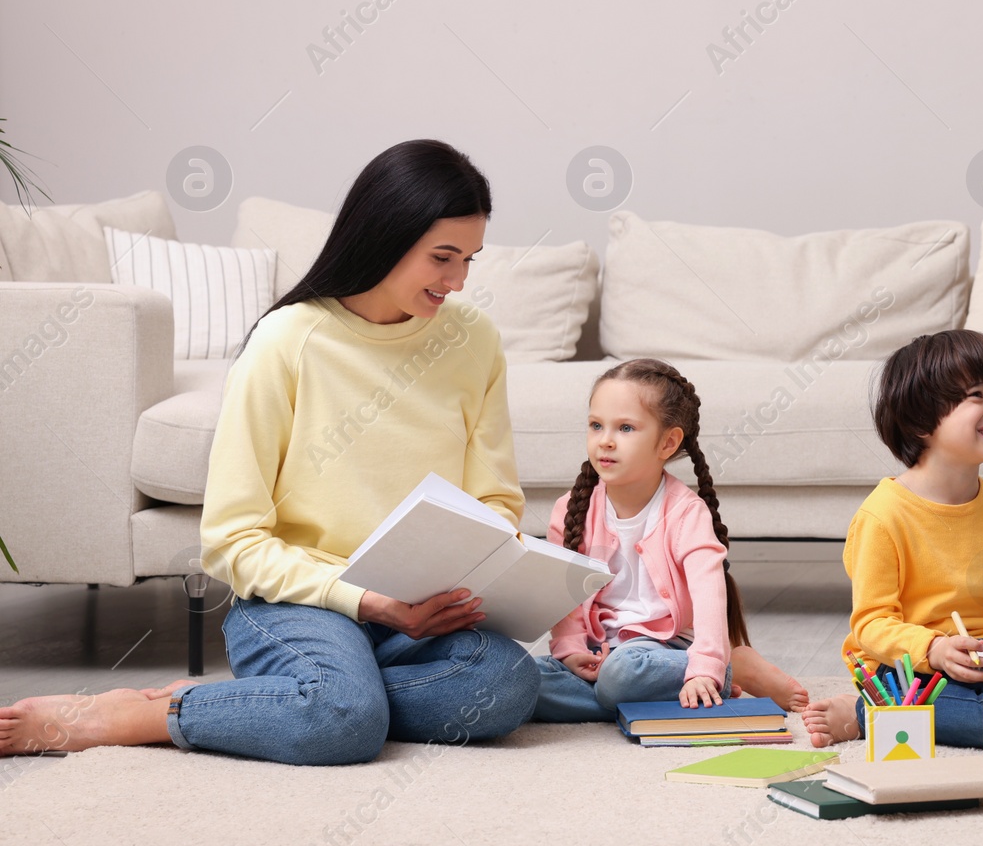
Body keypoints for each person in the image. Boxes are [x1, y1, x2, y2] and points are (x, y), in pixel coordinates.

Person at [0, 140, 541, 764]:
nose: (459, 282)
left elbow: (496, 500)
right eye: (442, 258)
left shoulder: (473, 340)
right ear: (385, 236)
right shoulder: (287, 341)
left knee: (505, 684)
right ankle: (149, 713)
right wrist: (368, 602)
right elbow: (232, 541)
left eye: (469, 259)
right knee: (345, 719)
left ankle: (302, 699)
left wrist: (477, 563)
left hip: (418, 612)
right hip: (300, 603)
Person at [802, 330, 983, 748]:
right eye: (977, 395)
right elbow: (871, 625)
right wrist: (933, 647)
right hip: (910, 667)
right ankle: (866, 712)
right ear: (921, 419)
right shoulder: (882, 516)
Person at [528, 358, 809, 720]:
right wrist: (569, 649)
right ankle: (625, 700)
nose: (606, 441)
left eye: (625, 428)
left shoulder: (686, 513)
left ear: (668, 442)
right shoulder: (570, 509)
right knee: (520, 680)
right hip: (599, 651)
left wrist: (705, 665)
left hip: (657, 651)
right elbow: (563, 598)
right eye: (596, 426)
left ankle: (722, 670)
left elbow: (710, 598)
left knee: (622, 674)